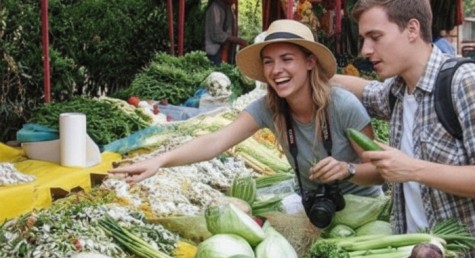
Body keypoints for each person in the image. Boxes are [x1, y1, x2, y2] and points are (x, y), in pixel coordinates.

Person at [111, 19, 383, 228]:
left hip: (362, 210)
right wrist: (159, 161)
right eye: (268, 62)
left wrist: (346, 169)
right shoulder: (269, 108)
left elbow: (379, 170)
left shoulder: (342, 105)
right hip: (316, 210)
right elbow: (215, 141)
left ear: (310, 62)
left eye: (287, 59)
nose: (277, 70)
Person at [331, 0, 475, 258]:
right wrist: (311, 72)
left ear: (412, 29)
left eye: (375, 37)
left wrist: (411, 169)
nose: (365, 49)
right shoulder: (397, 91)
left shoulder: (462, 83)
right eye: (364, 38)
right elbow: (365, 90)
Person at [205, 0, 248, 66]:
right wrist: (238, 40)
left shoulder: (229, 9)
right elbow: (216, 34)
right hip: (215, 54)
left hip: (227, 51)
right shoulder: (215, 8)